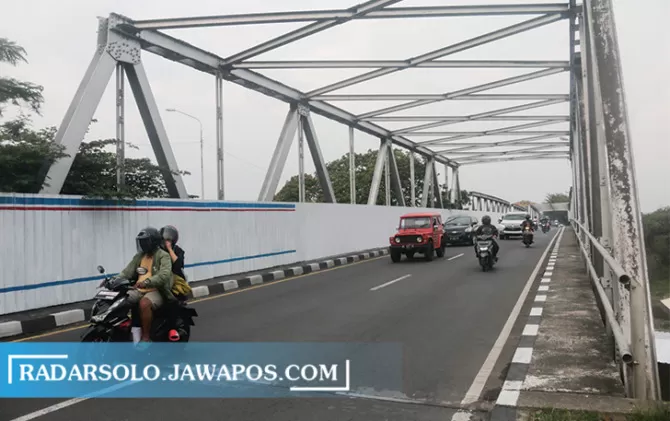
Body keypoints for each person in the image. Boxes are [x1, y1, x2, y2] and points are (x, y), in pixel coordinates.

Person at [119, 227, 174, 344]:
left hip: (157, 289)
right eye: (141, 242)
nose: (142, 245)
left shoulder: (163, 255)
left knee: (144, 303)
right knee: (121, 300)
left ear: (153, 242)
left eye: (145, 242)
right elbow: (127, 272)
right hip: (138, 289)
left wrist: (147, 282)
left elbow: (164, 275)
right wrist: (114, 280)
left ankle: (146, 337)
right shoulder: (139, 256)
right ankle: (123, 330)